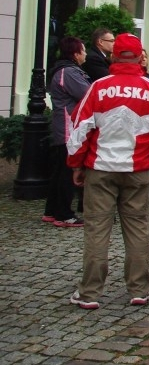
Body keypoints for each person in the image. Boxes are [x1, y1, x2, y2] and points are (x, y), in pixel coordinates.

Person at [66, 34, 149, 309]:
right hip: (137, 169)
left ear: (114, 56)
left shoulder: (98, 87)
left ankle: (90, 292)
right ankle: (139, 289)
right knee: (138, 229)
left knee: (96, 229)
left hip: (100, 168)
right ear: (141, 58)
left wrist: (77, 164)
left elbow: (78, 132)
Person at [44, 36, 91, 227]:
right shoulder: (69, 72)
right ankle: (64, 214)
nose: (85, 53)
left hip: (64, 128)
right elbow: (87, 94)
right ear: (75, 53)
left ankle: (51, 211)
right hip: (68, 130)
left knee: (59, 172)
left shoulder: (66, 70)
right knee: (66, 174)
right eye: (83, 50)